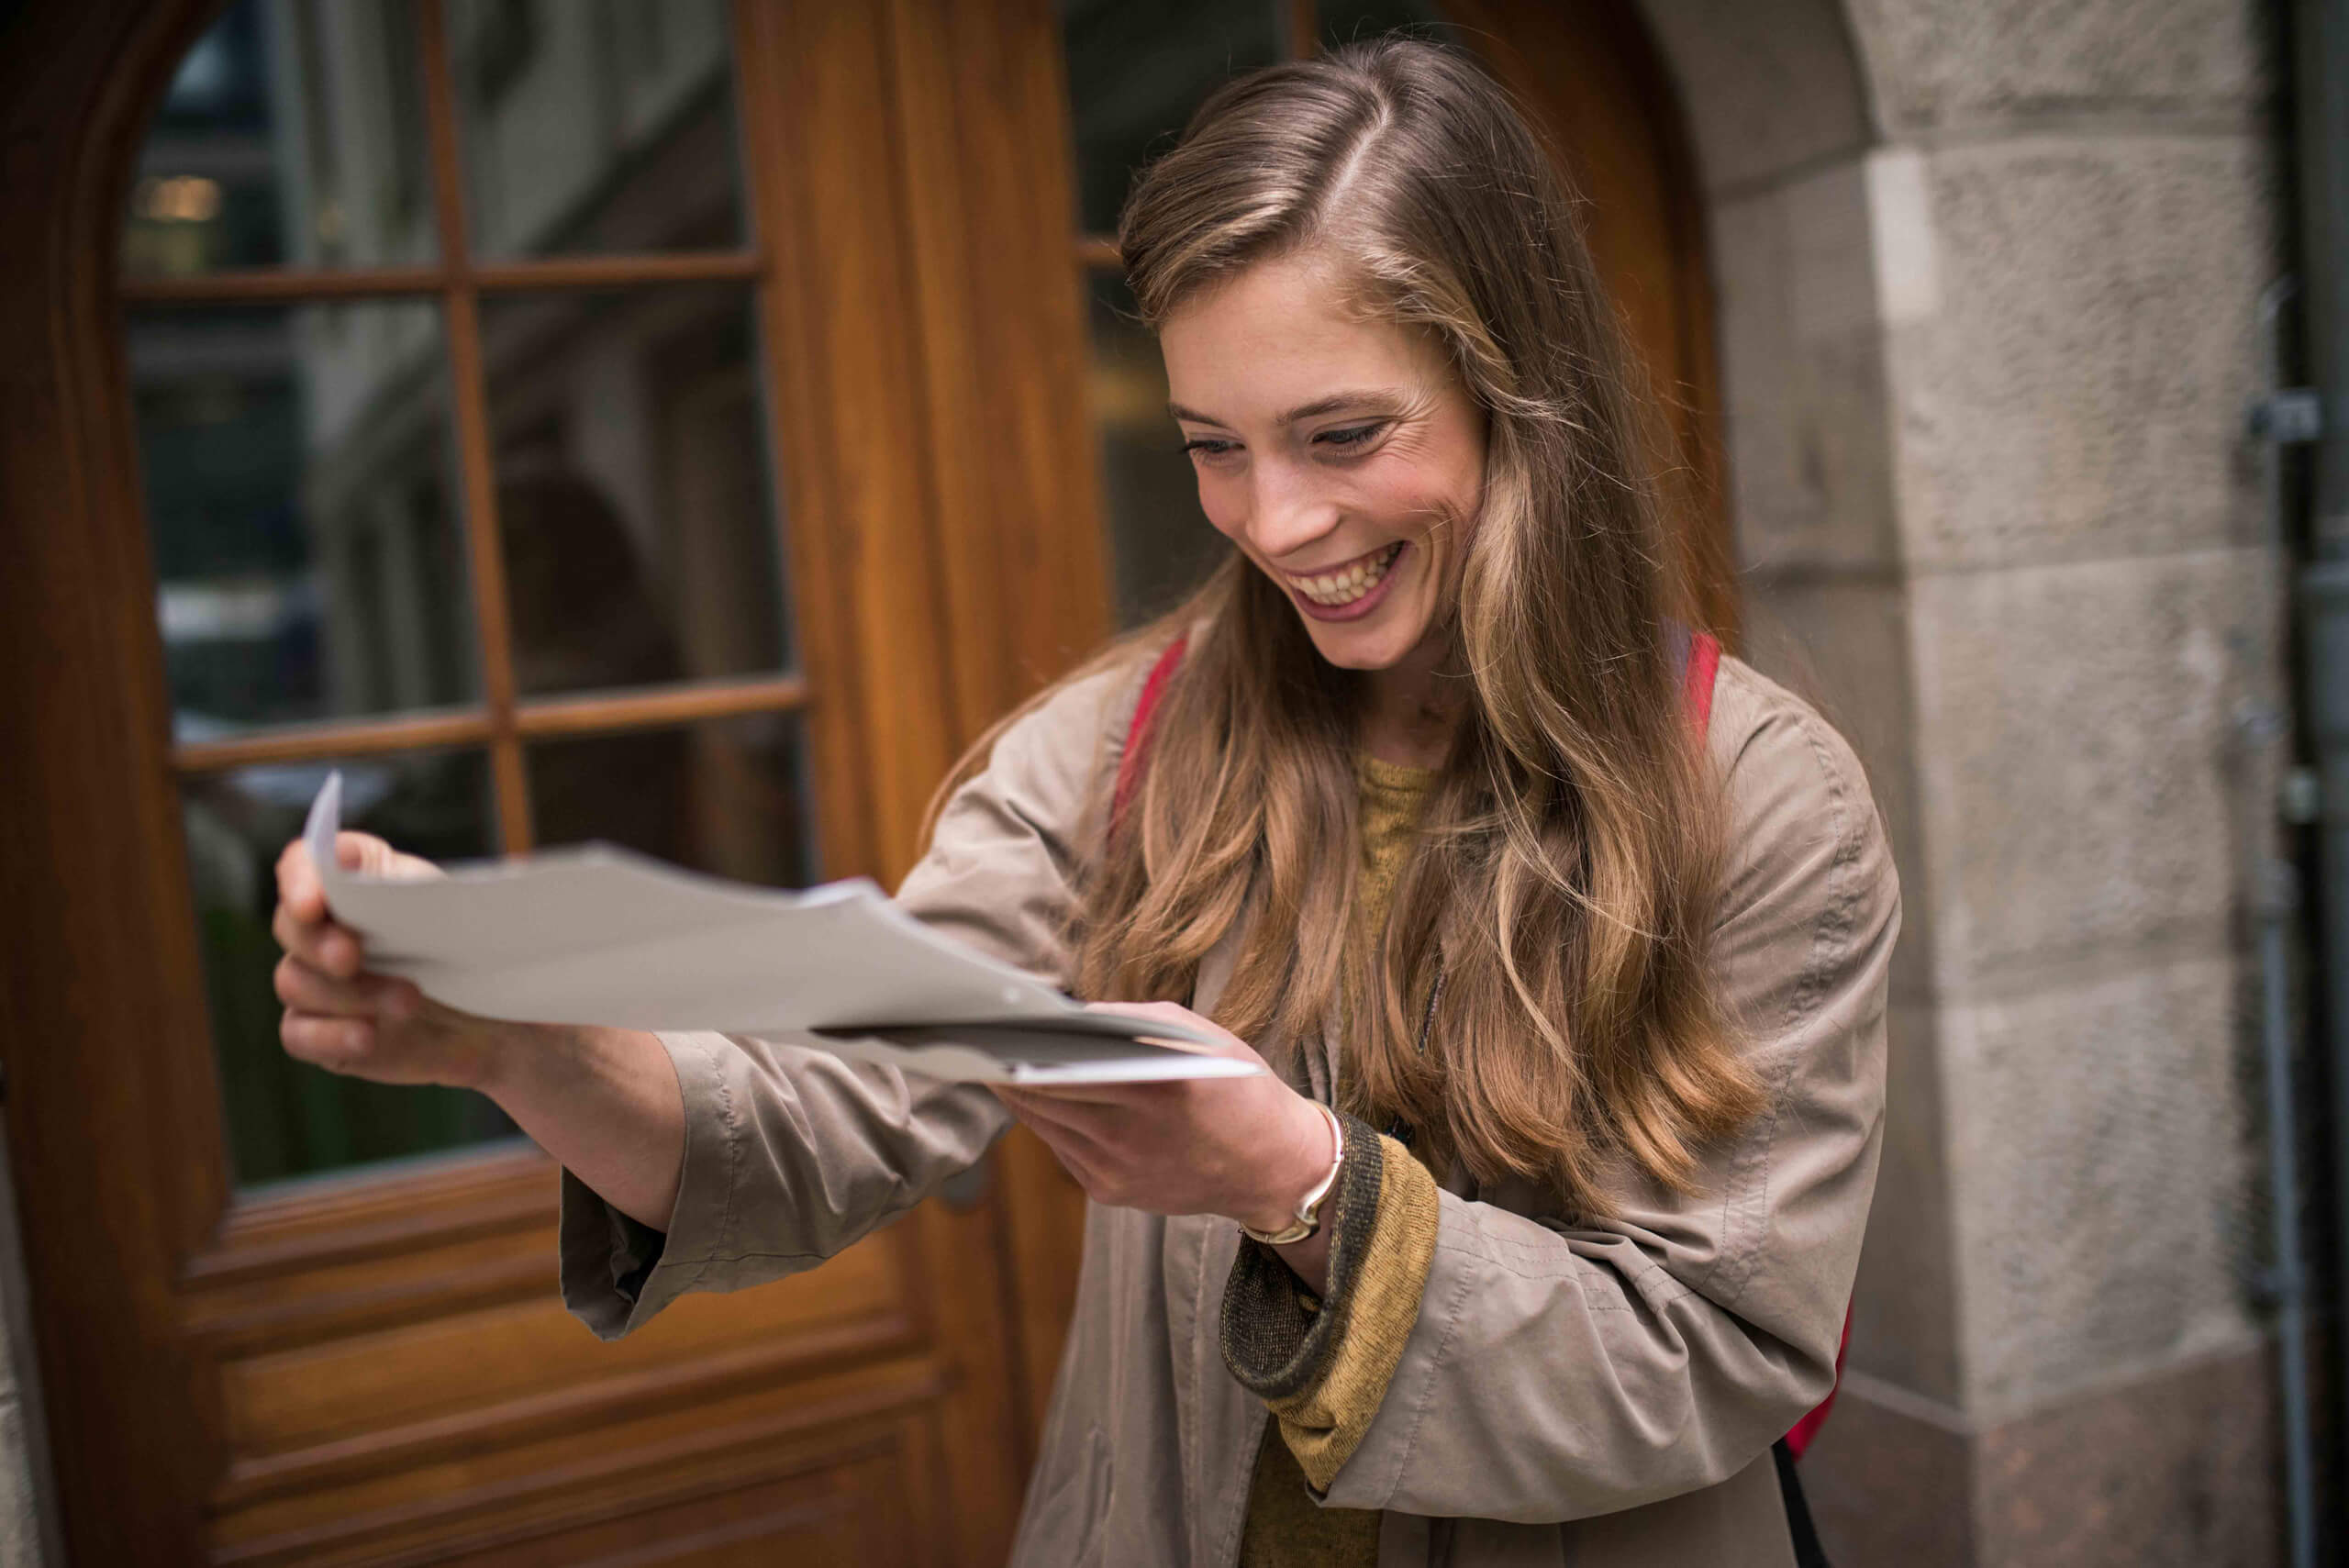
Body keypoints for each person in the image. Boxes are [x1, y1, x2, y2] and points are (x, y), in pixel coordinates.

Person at [271, 39, 1897, 1568]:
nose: (1275, 519)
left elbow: (1714, 1353)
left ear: (1519, 395)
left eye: (1343, 433)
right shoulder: (1117, 745)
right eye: (1213, 445)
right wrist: (519, 1046)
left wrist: (1303, 1185)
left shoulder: (1761, 805)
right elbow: (839, 1107)